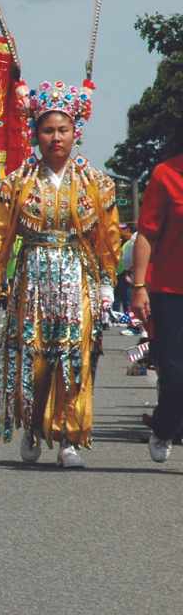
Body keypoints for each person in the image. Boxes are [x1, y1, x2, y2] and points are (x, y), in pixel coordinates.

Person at [0, 80, 121, 467]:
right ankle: (31, 425)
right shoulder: (19, 181)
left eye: (62, 130)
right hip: (32, 277)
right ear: (36, 134)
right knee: (33, 355)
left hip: (76, 274)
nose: (56, 138)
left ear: (74, 133)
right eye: (48, 130)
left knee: (73, 355)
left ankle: (68, 436)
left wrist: (107, 282)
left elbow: (107, 236)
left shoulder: (95, 183)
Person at [128, 128, 183, 463]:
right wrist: (138, 286)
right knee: (175, 375)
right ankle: (163, 427)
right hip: (170, 292)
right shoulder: (166, 175)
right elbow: (146, 234)